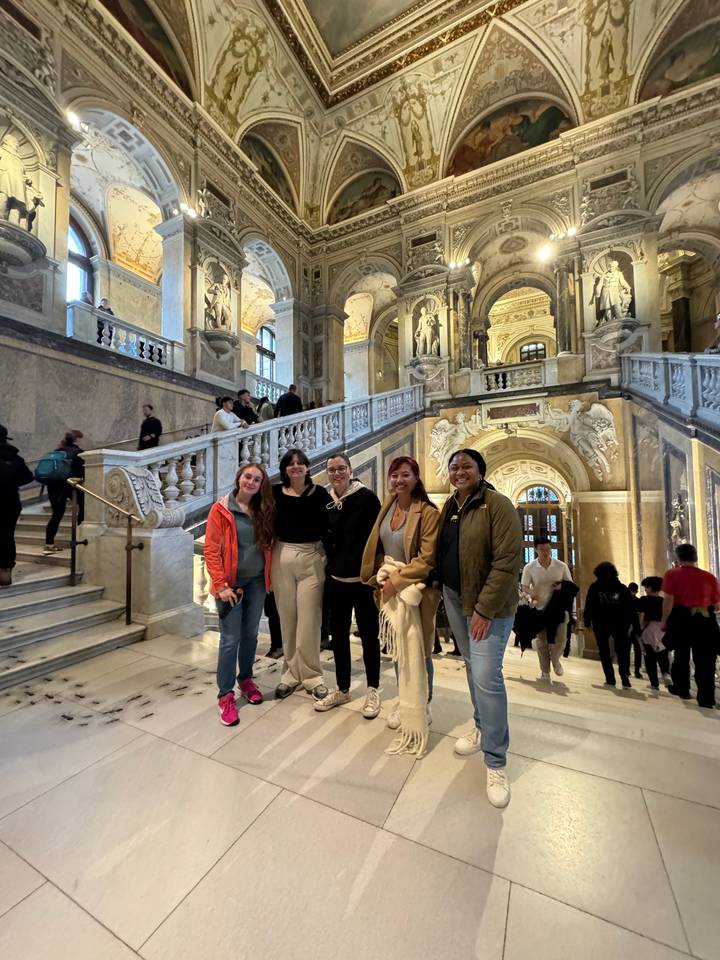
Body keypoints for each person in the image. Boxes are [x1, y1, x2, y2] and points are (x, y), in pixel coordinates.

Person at [437, 449, 523, 808]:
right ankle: (481, 726)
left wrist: (484, 610)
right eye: (454, 467)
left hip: (489, 606)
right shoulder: (450, 506)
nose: (459, 472)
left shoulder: (498, 505)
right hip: (455, 598)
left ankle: (496, 759)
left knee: (488, 676)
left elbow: (507, 562)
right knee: (473, 668)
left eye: (466, 466)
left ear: (480, 471)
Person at [361, 456, 440, 753]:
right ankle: (405, 700)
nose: (398, 480)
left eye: (405, 475)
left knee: (419, 649)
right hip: (389, 586)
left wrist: (397, 580)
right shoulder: (389, 503)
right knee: (397, 647)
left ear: (416, 478)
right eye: (394, 475)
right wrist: (383, 572)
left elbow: (427, 558)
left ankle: (424, 703)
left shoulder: (427, 512)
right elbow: (380, 545)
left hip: (415, 590)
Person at [204, 464, 275, 726]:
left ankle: (245, 679)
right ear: (239, 478)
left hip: (256, 582)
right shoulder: (221, 509)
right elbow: (211, 550)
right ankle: (225, 695)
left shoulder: (263, 509)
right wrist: (221, 585)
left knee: (251, 635)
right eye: (248, 476)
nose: (251, 482)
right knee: (230, 639)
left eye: (257, 479)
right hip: (230, 584)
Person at [315, 454, 382, 718]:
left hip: (363, 582)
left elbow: (377, 538)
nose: (337, 473)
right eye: (332, 470)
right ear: (328, 473)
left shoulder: (367, 498)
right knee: (339, 637)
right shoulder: (326, 502)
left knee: (369, 637)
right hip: (336, 582)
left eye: (341, 468)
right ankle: (343, 688)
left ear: (350, 470)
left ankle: (373, 689)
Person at [271, 448, 332, 700]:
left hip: (311, 556)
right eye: (290, 463)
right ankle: (290, 674)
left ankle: (312, 675)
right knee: (287, 617)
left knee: (309, 619)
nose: (295, 467)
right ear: (285, 469)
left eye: (300, 463)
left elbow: (331, 525)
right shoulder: (274, 492)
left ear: (307, 467)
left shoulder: (320, 493)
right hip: (282, 554)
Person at [662, 543, 720, 709]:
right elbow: (717, 606)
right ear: (695, 558)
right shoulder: (710, 577)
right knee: (706, 660)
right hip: (705, 620)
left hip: (682, 618)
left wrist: (664, 620)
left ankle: (682, 688)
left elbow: (669, 600)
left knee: (681, 655)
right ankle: (707, 698)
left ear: (678, 558)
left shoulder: (672, 574)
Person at [521, 537, 573, 680]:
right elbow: (524, 586)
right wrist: (532, 594)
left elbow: (570, 585)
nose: (545, 552)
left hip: (558, 609)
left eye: (548, 549)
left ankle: (555, 660)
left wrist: (561, 586)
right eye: (542, 550)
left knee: (561, 639)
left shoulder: (561, 566)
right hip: (540, 609)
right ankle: (545, 671)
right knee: (542, 641)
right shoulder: (530, 567)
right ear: (536, 550)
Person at [583, 562, 635, 689]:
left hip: (600, 623)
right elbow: (629, 608)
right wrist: (630, 624)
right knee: (622, 650)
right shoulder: (622, 588)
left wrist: (587, 621)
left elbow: (589, 605)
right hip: (620, 624)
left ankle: (610, 678)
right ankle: (624, 676)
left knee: (604, 651)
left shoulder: (595, 587)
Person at [0, 425, 34, 586]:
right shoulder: (15, 458)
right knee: (7, 535)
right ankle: (5, 573)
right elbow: (28, 478)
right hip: (11, 502)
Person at [44, 430, 84, 554]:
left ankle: (49, 545)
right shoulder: (79, 453)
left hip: (53, 486)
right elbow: (81, 472)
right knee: (83, 508)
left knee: (56, 515)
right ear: (77, 439)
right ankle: (79, 539)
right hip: (71, 485)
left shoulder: (57, 452)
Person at [637, 576, 670, 692]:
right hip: (662, 630)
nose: (645, 590)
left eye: (646, 587)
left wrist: (638, 629)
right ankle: (666, 673)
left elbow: (640, 615)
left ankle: (654, 683)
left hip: (648, 629)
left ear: (649, 588)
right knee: (663, 654)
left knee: (649, 657)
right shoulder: (664, 601)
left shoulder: (643, 600)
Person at [627, 582, 644, 679]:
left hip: (628, 627)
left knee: (627, 649)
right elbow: (641, 614)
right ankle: (636, 670)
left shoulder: (625, 601)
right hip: (636, 628)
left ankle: (628, 669)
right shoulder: (638, 601)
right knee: (637, 650)